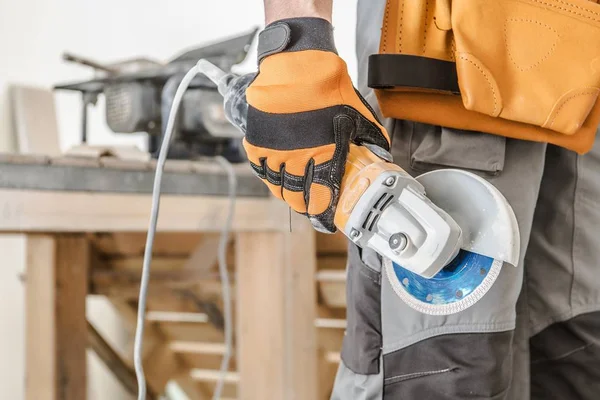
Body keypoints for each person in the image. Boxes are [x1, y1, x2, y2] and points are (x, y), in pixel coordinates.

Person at [243, 0, 600, 398]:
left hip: (582, 82)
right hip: (449, 69)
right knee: (439, 370)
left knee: (576, 350)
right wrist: (296, 44)